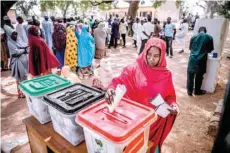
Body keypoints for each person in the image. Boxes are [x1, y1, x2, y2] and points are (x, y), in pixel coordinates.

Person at [105, 38, 179, 153]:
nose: (151, 59)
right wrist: (111, 89)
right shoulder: (134, 69)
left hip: (154, 122)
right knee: (135, 147)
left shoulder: (166, 75)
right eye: (149, 54)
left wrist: (173, 105)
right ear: (145, 52)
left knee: (150, 148)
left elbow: (170, 97)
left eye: (156, 56)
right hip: (134, 122)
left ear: (162, 56)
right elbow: (118, 81)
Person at [187, 27, 214, 96]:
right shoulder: (209, 37)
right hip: (202, 59)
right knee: (199, 76)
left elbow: (190, 48)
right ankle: (197, 91)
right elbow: (210, 50)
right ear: (205, 31)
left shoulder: (193, 37)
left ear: (198, 31)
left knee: (190, 75)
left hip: (192, 59)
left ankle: (189, 91)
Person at [6, 28, 29, 98]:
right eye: (13, 34)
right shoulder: (10, 42)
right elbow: (14, 52)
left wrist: (25, 50)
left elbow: (26, 48)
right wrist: (23, 51)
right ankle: (21, 93)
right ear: (10, 35)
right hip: (17, 62)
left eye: (16, 34)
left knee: (24, 77)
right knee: (20, 78)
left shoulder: (19, 40)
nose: (15, 36)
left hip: (24, 62)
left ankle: (25, 92)